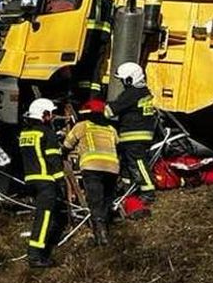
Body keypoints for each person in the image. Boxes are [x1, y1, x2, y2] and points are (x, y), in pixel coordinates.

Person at [64, 98, 120, 246]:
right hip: (112, 168)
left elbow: (66, 145)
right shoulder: (110, 129)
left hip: (92, 167)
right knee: (106, 199)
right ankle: (106, 228)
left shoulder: (81, 126)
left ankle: (100, 235)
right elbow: (117, 145)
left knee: (95, 200)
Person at [18, 97, 66, 268]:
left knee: (41, 215)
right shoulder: (47, 133)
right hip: (46, 180)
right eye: (51, 114)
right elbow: (53, 159)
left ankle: (36, 253)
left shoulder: (25, 133)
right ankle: (36, 255)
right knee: (44, 217)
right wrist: (61, 181)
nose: (52, 117)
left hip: (30, 179)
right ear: (44, 115)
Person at [106, 62, 157, 202]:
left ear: (130, 79)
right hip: (141, 133)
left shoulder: (131, 93)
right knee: (127, 165)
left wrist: (95, 111)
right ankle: (127, 190)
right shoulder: (144, 91)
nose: (122, 82)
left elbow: (110, 111)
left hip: (133, 134)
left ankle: (148, 191)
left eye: (123, 80)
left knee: (138, 162)